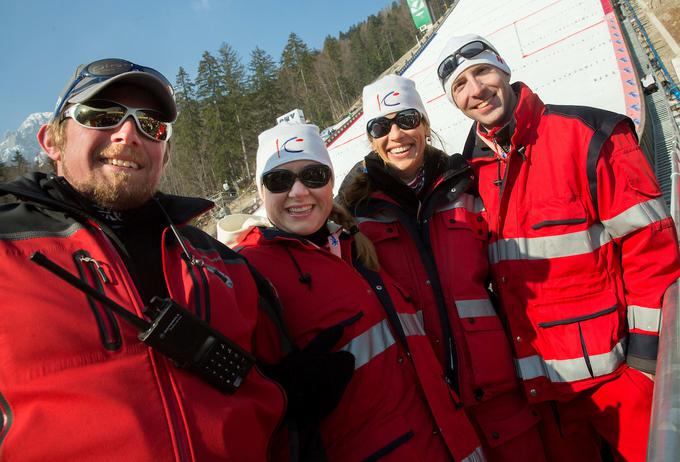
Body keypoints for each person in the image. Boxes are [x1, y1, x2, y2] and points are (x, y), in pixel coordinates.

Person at [0, 58, 289, 461]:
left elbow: (274, 398)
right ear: (51, 141)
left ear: (165, 154)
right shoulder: (6, 252)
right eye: (102, 115)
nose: (128, 134)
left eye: (150, 125)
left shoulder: (224, 264)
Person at [436, 34, 680, 461]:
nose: (476, 90)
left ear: (504, 70)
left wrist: (645, 360)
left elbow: (652, 252)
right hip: (545, 398)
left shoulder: (588, 135)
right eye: (460, 85)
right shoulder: (470, 173)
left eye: (482, 72)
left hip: (620, 379)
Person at [226, 122, 485, 461]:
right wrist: (281, 398)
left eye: (313, 175)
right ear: (262, 193)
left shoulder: (356, 246)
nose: (299, 192)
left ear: (331, 182)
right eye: (279, 180)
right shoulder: (248, 272)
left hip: (453, 444)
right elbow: (228, 407)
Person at [339, 74, 546, 461]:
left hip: (503, 396)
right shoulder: (355, 218)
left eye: (407, 119)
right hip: (431, 413)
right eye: (380, 126)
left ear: (425, 124)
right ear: (370, 138)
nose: (396, 134)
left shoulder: (467, 186)